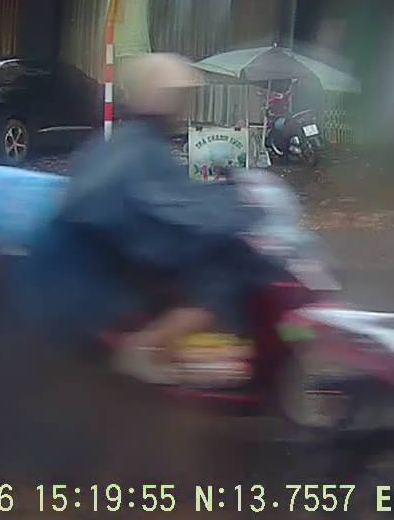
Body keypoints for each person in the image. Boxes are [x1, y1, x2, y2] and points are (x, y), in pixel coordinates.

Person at [18, 53, 254, 385]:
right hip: (96, 282)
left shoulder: (119, 142)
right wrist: (238, 212)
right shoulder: (144, 152)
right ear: (168, 99)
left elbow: (170, 202)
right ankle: (145, 348)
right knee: (220, 279)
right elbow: (176, 214)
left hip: (76, 265)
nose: (185, 105)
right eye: (181, 96)